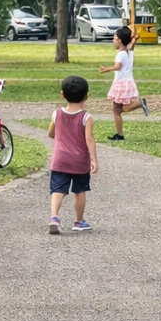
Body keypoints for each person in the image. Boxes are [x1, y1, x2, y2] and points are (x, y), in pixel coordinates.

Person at [46, 74, 97, 233]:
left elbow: (51, 133)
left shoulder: (56, 114)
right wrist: (94, 159)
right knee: (79, 190)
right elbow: (89, 139)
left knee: (58, 190)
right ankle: (78, 221)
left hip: (59, 160)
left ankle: (54, 217)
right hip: (80, 162)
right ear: (86, 96)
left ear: (63, 94)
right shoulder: (86, 117)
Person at [99, 26, 150, 140]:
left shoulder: (120, 54)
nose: (113, 41)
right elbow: (131, 45)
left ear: (120, 40)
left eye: (114, 38)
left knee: (116, 110)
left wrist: (106, 69)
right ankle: (119, 134)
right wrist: (134, 38)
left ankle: (139, 104)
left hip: (120, 83)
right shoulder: (129, 51)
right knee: (118, 110)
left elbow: (118, 66)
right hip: (128, 81)